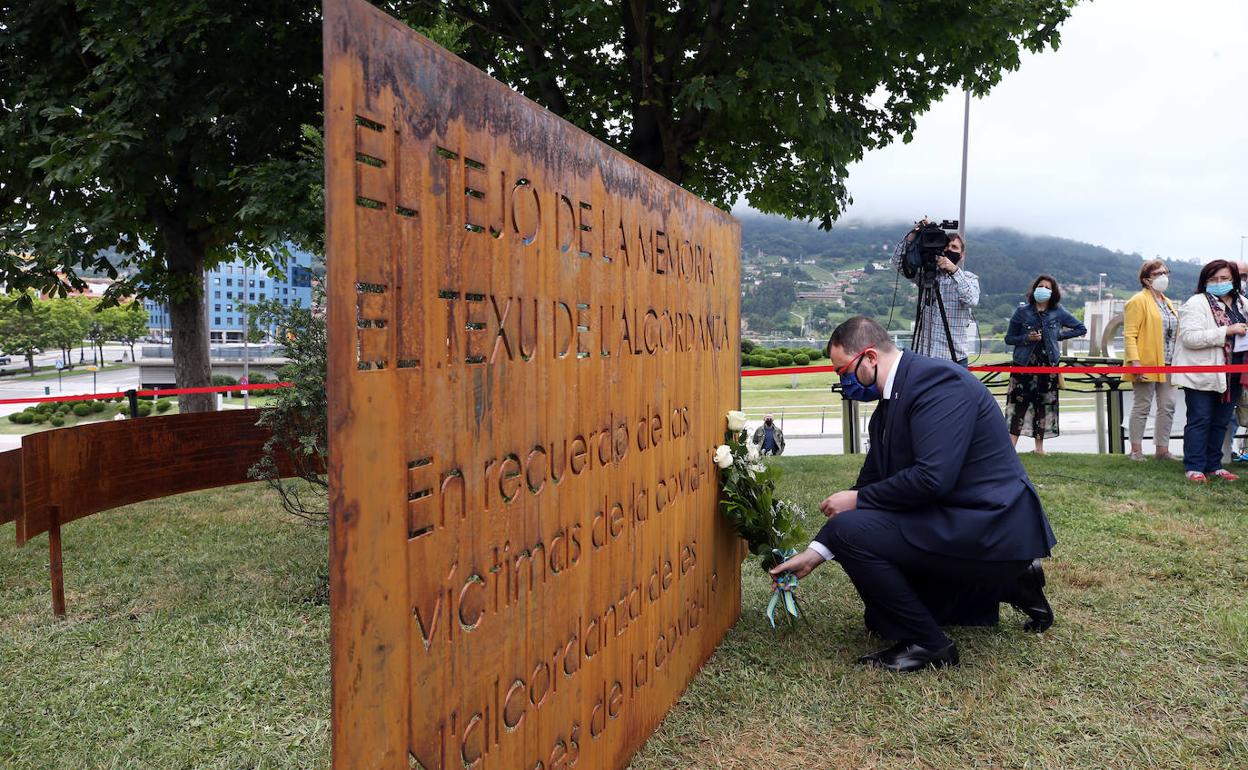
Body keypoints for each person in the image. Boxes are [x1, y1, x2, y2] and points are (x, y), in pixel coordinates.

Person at [771, 316, 1056, 672]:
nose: (843, 382)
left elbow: (932, 479)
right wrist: (815, 553)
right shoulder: (890, 404)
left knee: (850, 533)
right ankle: (1010, 583)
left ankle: (930, 645)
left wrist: (856, 502)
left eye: (843, 371)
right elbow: (871, 481)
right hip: (954, 519)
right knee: (880, 618)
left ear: (870, 357)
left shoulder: (939, 384)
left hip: (990, 524)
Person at [1173, 260, 1248, 482]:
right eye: (1213, 279)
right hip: (1202, 374)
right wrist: (1226, 331)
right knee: (1200, 419)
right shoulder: (1196, 303)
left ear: (1234, 279)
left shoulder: (1243, 303)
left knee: (1221, 421)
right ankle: (1194, 467)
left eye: (1224, 278)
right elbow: (1190, 337)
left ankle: (1214, 465)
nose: (1219, 282)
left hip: (1234, 374)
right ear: (1204, 281)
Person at [1004, 275, 1086, 455]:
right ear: (1034, 289)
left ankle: (1039, 449)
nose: (1043, 289)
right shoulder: (1022, 312)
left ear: (1053, 292)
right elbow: (1009, 338)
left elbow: (1081, 328)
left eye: (1048, 287)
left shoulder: (1059, 312)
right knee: (1019, 405)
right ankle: (1010, 449)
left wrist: (1057, 336)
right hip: (1023, 365)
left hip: (1048, 365)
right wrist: (1027, 338)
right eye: (1040, 286)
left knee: (1044, 405)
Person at [892, 225, 980, 366]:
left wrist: (954, 270)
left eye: (954, 247)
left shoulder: (968, 278)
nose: (949, 250)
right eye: (946, 246)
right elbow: (898, 262)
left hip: (954, 358)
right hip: (924, 356)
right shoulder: (927, 276)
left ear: (962, 255)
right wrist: (912, 236)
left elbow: (972, 299)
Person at [1123, 260, 1179, 461]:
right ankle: (1136, 450)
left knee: (1168, 405)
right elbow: (1129, 335)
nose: (1164, 276)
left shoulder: (1168, 302)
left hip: (1169, 362)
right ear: (1147, 279)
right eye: (1158, 273)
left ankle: (1162, 450)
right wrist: (1135, 362)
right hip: (1146, 362)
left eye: (1165, 272)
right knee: (1142, 406)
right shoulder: (1137, 301)